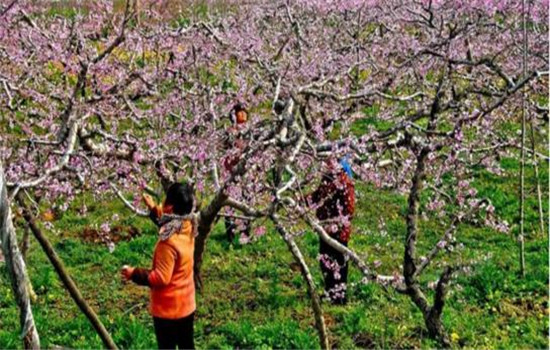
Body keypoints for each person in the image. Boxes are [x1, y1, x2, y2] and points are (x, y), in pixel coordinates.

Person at [121, 183, 196, 349]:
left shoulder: (168, 243)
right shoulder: (188, 225)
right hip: (186, 304)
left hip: (168, 310)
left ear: (169, 206)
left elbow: (161, 277)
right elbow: (167, 224)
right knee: (187, 345)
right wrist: (153, 208)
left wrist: (134, 273)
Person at [309, 158, 355, 304]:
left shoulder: (344, 182)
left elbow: (349, 209)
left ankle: (340, 297)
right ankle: (330, 291)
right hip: (325, 229)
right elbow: (316, 196)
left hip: (338, 232)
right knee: (325, 260)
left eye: (329, 162)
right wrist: (300, 200)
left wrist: (337, 223)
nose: (326, 164)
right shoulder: (326, 179)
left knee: (339, 263)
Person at [223, 103, 251, 242]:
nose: (243, 114)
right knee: (229, 202)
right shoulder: (230, 131)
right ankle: (229, 233)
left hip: (247, 171)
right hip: (231, 170)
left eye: (244, 111)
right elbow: (224, 148)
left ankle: (246, 232)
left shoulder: (251, 131)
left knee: (247, 201)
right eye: (240, 112)